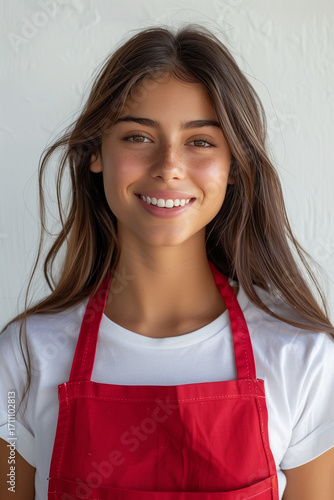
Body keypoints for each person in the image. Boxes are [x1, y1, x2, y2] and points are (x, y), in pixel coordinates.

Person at [0, 24, 333, 500]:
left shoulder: (305, 360)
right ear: (96, 153)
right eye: (137, 137)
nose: (168, 166)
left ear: (235, 166)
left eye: (200, 142)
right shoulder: (23, 358)